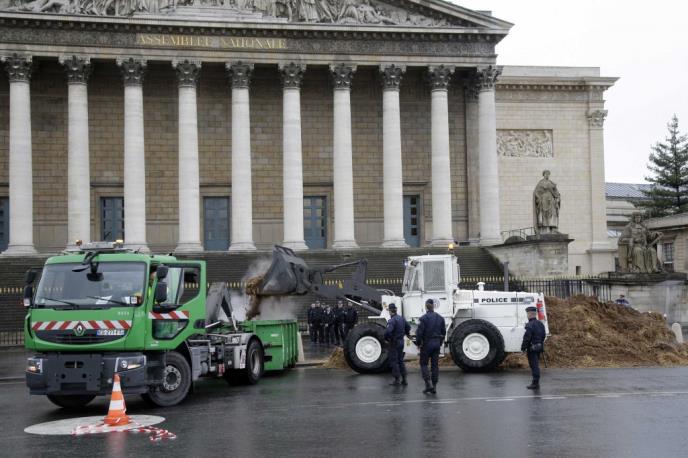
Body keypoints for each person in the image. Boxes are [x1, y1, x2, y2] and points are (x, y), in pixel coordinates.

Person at [415, 299, 446, 394]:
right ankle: (434, 386)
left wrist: (418, 343)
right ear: (433, 306)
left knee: (423, 364)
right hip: (436, 344)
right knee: (434, 365)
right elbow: (443, 333)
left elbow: (419, 333)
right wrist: (440, 343)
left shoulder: (423, 318)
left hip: (427, 344)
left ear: (426, 307)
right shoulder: (440, 318)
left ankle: (428, 384)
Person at [384, 303, 410, 386]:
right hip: (401, 342)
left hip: (394, 343)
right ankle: (404, 379)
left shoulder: (392, 321)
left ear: (390, 311)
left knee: (394, 361)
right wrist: (406, 333)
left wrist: (388, 338)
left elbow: (388, 332)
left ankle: (397, 379)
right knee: (400, 360)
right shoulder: (401, 319)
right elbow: (408, 327)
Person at [521, 306, 546, 390]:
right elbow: (543, 335)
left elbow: (527, 338)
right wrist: (540, 343)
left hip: (532, 348)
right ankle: (536, 382)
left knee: (534, 366)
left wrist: (523, 348)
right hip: (539, 347)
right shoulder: (540, 324)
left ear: (529, 314)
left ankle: (535, 383)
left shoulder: (529, 325)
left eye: (527, 314)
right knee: (536, 365)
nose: (527, 315)